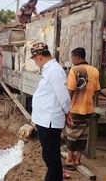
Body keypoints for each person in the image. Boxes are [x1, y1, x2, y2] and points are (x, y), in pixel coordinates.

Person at [30, 42, 70, 181]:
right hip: (45, 120)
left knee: (51, 159)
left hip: (50, 121)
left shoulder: (54, 70)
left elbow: (63, 96)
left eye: (34, 60)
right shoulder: (49, 69)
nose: (35, 63)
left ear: (39, 57)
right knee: (50, 157)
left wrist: (67, 112)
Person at [65, 48, 100, 170]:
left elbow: (70, 90)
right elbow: (97, 91)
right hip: (88, 108)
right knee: (83, 134)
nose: (72, 60)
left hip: (75, 108)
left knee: (71, 133)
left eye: (72, 58)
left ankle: (69, 159)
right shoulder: (95, 71)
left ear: (77, 57)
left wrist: (65, 108)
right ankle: (78, 159)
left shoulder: (74, 70)